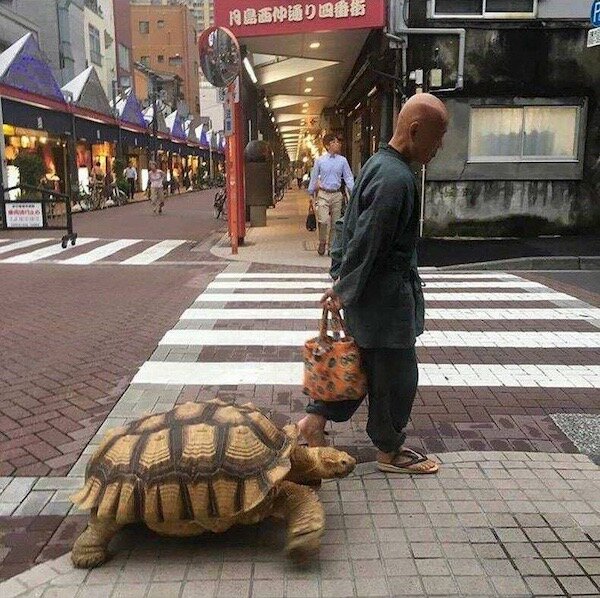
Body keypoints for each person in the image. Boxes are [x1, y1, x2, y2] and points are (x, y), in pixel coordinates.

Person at [298, 94, 449, 475]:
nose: (439, 147)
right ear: (415, 130)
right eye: (437, 137)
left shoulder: (376, 165)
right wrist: (344, 288)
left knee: (358, 366)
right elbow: (370, 239)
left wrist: (342, 277)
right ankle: (390, 450)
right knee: (397, 377)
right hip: (385, 301)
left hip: (369, 296)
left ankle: (313, 422)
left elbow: (348, 225)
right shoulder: (396, 178)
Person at [308, 133, 354, 256]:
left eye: (338, 142)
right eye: (334, 142)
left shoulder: (342, 161)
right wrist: (311, 193)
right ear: (328, 146)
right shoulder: (320, 161)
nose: (337, 144)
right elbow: (314, 177)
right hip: (323, 193)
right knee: (322, 220)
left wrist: (353, 191)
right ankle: (322, 241)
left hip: (337, 194)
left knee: (335, 222)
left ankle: (331, 246)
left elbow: (348, 177)